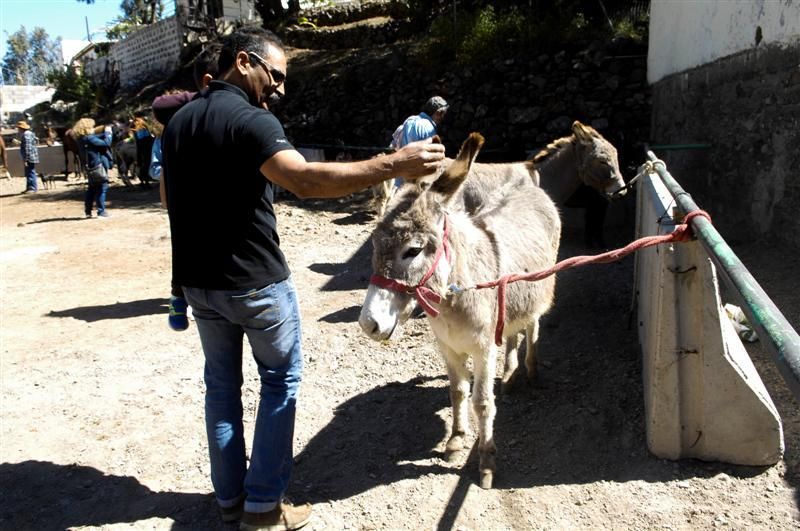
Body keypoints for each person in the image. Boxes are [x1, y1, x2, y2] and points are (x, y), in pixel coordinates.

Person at [161, 27, 444, 531]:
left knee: (221, 390)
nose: (281, 89)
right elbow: (306, 180)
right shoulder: (249, 121)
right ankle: (263, 509)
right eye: (276, 75)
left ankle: (230, 501)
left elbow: (169, 199)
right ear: (244, 62)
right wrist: (393, 164)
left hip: (200, 287)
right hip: (255, 286)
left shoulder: (179, 122)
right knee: (279, 384)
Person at [151, 42, 222, 331]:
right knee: (185, 243)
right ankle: (180, 299)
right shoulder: (193, 110)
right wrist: (206, 94)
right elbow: (159, 105)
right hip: (185, 191)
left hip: (198, 190)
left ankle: (188, 298)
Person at [390, 96, 448, 187]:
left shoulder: (410, 120)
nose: (443, 118)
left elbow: (394, 145)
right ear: (437, 113)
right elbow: (431, 157)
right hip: (415, 183)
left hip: (399, 179)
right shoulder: (429, 128)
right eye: (443, 114)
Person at [82, 125, 114, 218]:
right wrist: (108, 134)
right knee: (101, 188)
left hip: (92, 167)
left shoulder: (84, 138)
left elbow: (99, 136)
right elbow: (106, 143)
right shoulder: (90, 138)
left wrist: (104, 133)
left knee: (91, 189)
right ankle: (101, 212)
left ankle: (88, 211)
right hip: (98, 166)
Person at [17, 120, 39, 193]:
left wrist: (26, 159)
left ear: (21, 128)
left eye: (18, 128)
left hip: (29, 156)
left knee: (30, 172)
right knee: (29, 171)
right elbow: (35, 141)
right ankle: (30, 187)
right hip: (32, 155)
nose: (18, 130)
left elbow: (28, 147)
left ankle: (32, 188)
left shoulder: (26, 135)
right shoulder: (30, 133)